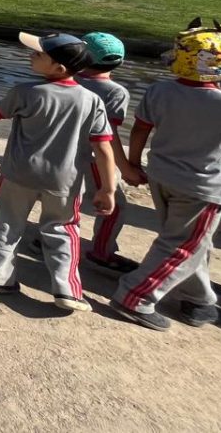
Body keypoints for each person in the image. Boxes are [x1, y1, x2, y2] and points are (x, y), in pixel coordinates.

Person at [0, 32, 115, 312]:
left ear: (59, 67)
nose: (31, 55)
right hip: (65, 181)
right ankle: (67, 289)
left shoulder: (25, 92)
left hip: (19, 173)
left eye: (38, 54)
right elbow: (104, 148)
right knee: (64, 230)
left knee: (6, 222)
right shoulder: (92, 101)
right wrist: (108, 188)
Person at [111, 20, 221, 331]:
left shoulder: (159, 90)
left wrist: (132, 164)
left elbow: (139, 130)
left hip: (161, 175)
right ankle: (135, 296)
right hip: (201, 185)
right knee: (183, 245)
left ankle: (199, 299)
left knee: (186, 240)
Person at [76, 32, 136, 273]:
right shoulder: (115, 92)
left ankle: (42, 239)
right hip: (94, 157)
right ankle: (101, 252)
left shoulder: (68, 78)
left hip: (67, 154)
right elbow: (108, 136)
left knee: (68, 197)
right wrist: (125, 167)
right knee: (114, 206)